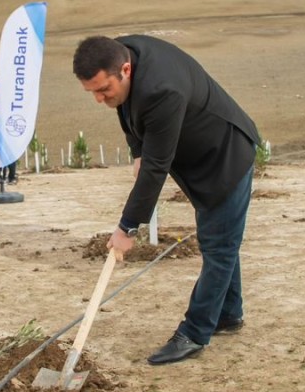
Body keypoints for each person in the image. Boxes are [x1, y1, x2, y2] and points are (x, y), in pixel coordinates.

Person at [73, 34, 260, 366]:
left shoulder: (161, 90)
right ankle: (229, 314)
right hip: (197, 158)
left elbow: (156, 169)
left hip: (225, 156)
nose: (99, 100)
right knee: (220, 241)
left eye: (103, 90)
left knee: (219, 247)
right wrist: (137, 151)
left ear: (125, 70)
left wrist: (127, 228)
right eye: (92, 92)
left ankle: (194, 332)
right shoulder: (120, 52)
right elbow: (126, 110)